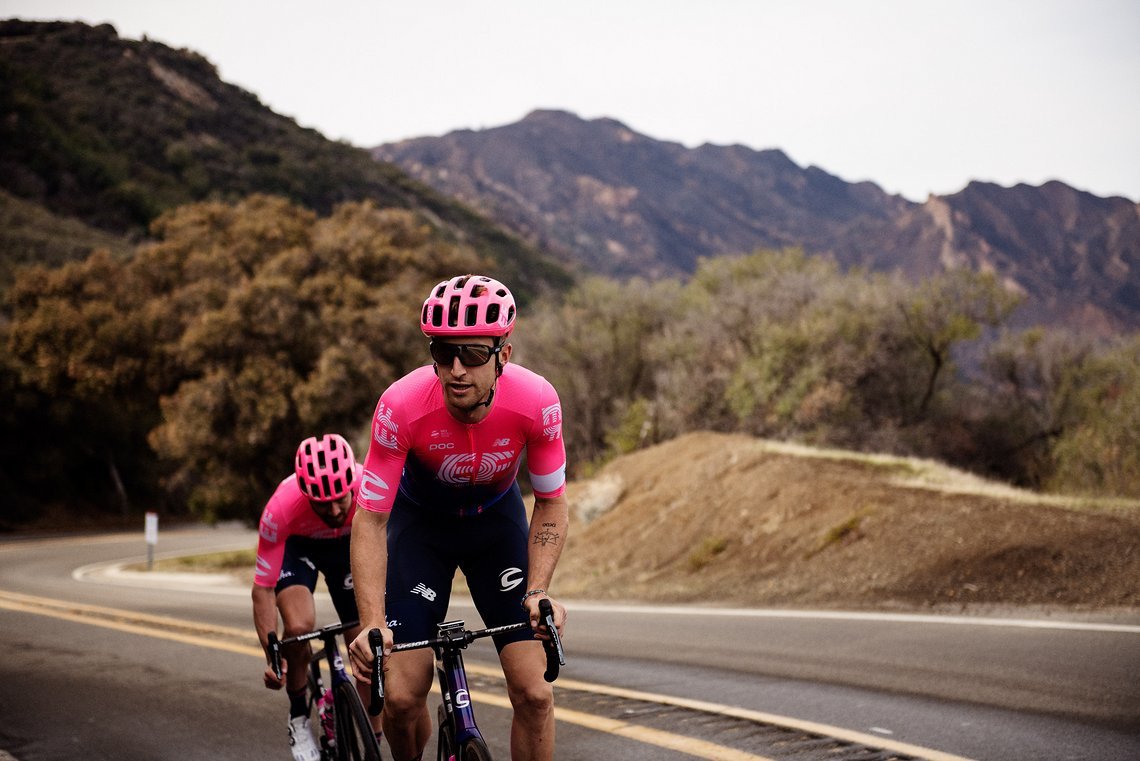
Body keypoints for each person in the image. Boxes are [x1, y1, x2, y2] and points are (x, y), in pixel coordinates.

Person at [347, 274, 570, 761]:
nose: (455, 370)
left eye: (471, 354)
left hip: (495, 525)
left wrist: (538, 590)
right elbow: (369, 518)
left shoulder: (537, 402)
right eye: (442, 352)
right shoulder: (401, 406)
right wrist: (371, 623)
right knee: (403, 698)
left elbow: (551, 501)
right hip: (420, 528)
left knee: (535, 693)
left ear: (502, 356)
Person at [252, 433, 381, 761]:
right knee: (299, 627)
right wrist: (273, 655)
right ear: (305, 492)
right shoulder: (281, 506)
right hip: (300, 549)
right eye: (322, 503)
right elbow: (263, 589)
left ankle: (373, 740)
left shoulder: (370, 484)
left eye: (341, 498)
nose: (335, 510)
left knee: (366, 647)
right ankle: (298, 717)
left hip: (349, 546)